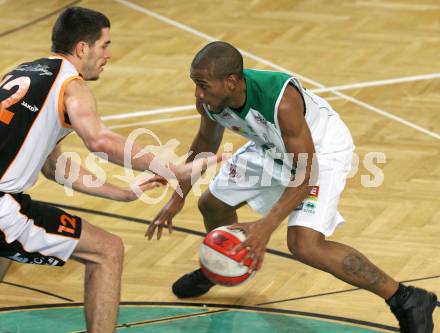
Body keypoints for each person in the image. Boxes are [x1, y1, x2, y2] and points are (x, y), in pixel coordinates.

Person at [147, 41, 437, 332]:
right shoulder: (210, 100)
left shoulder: (282, 102)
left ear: (231, 81)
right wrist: (178, 197)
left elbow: (306, 173)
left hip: (320, 154)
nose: (197, 93)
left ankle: (407, 298)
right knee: (212, 204)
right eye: (195, 83)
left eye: (202, 84)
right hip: (269, 146)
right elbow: (206, 144)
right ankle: (224, 266)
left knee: (304, 244)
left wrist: (266, 224)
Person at [0, 7, 221, 333]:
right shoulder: (71, 87)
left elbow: (55, 167)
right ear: (82, 48)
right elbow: (100, 141)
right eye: (104, 45)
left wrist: (121, 192)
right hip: (4, 206)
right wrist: (173, 169)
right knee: (108, 251)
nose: (109, 55)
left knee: (5, 253)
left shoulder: (24, 72)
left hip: (7, 202)